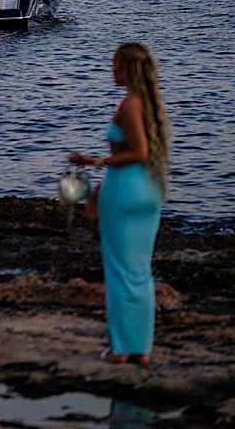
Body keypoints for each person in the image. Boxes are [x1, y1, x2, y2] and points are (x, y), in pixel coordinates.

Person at [69, 43, 170, 368]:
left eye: (115, 65)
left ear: (127, 68)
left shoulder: (130, 104)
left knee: (119, 273)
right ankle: (141, 348)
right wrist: (99, 188)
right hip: (148, 189)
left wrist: (93, 161)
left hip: (126, 190)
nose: (111, 70)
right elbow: (145, 154)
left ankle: (121, 349)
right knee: (139, 271)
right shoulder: (151, 105)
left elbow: (137, 153)